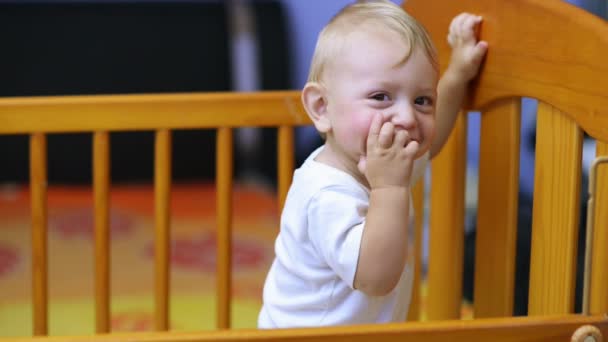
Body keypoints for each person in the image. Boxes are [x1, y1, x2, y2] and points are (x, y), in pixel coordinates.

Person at [258, 0, 488, 328]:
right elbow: (376, 277)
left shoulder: (384, 162)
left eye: (422, 100)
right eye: (381, 97)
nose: (407, 117)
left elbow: (432, 143)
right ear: (322, 107)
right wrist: (390, 187)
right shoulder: (326, 194)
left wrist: (456, 77)